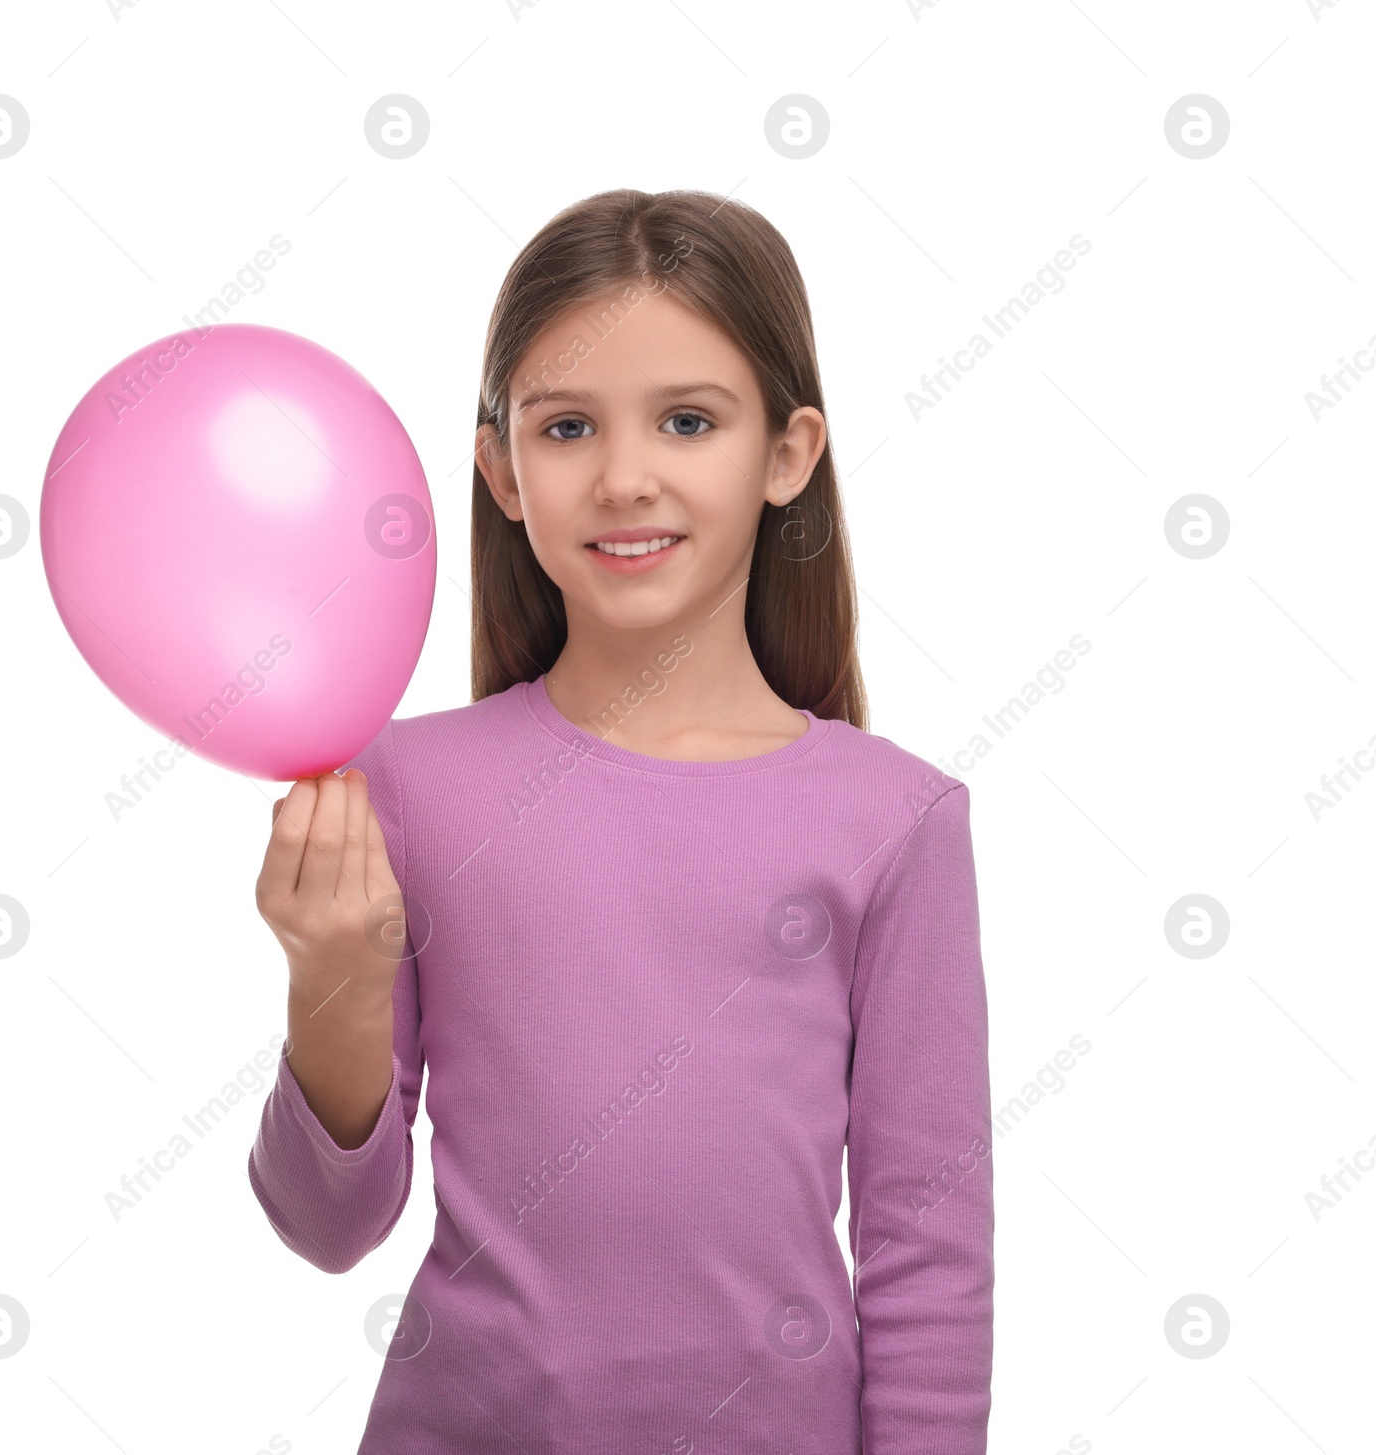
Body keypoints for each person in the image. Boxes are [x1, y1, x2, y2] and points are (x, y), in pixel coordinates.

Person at [248, 187, 994, 1454]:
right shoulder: (409, 788)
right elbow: (331, 1230)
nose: (624, 476)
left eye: (688, 421)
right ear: (501, 468)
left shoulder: (896, 818)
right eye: (568, 426)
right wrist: (331, 978)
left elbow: (927, 1252)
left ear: (786, 454)